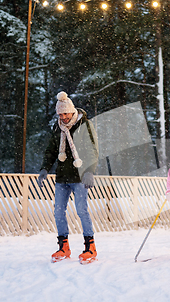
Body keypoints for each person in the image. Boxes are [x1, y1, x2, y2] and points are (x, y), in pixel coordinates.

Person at [37, 91, 99, 264]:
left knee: (81, 210)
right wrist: (44, 169)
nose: (63, 117)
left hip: (79, 177)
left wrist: (89, 171)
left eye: (65, 113)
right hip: (62, 177)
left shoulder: (84, 125)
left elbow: (92, 150)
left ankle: (90, 247)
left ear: (72, 111)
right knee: (58, 211)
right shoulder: (57, 127)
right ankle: (64, 246)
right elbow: (50, 150)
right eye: (60, 114)